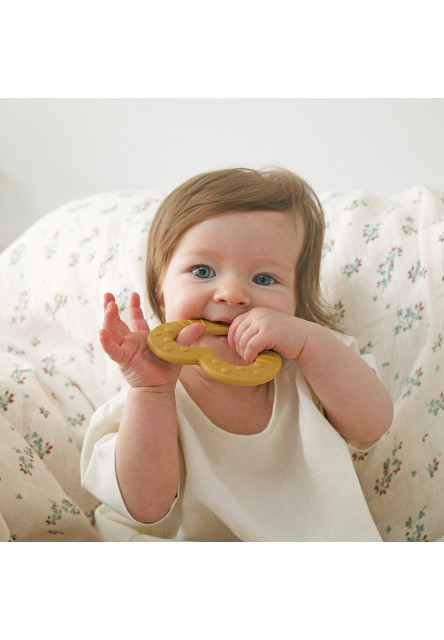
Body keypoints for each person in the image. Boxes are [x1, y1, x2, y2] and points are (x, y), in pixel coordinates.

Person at [80, 167, 393, 542]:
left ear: (296, 300)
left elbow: (372, 424)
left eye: (263, 279)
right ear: (161, 293)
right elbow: (144, 507)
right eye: (202, 270)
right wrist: (151, 393)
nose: (231, 294)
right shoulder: (151, 392)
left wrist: (310, 342)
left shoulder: (315, 365)